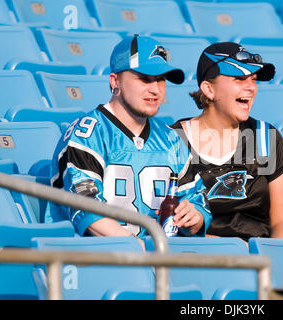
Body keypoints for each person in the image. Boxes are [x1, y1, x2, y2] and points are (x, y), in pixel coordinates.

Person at [45, 35, 212, 245]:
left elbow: (197, 201)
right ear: (115, 82)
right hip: (92, 258)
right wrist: (138, 248)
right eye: (144, 78)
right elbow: (85, 208)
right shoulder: (88, 134)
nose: (155, 89)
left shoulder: (171, 139)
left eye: (161, 79)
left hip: (160, 260)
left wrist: (193, 217)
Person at [171, 42, 283, 242]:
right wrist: (230, 250)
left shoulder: (265, 136)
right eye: (239, 79)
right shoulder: (171, 141)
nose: (251, 88)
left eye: (254, 79)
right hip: (198, 256)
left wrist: (271, 256)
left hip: (259, 259)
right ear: (209, 89)